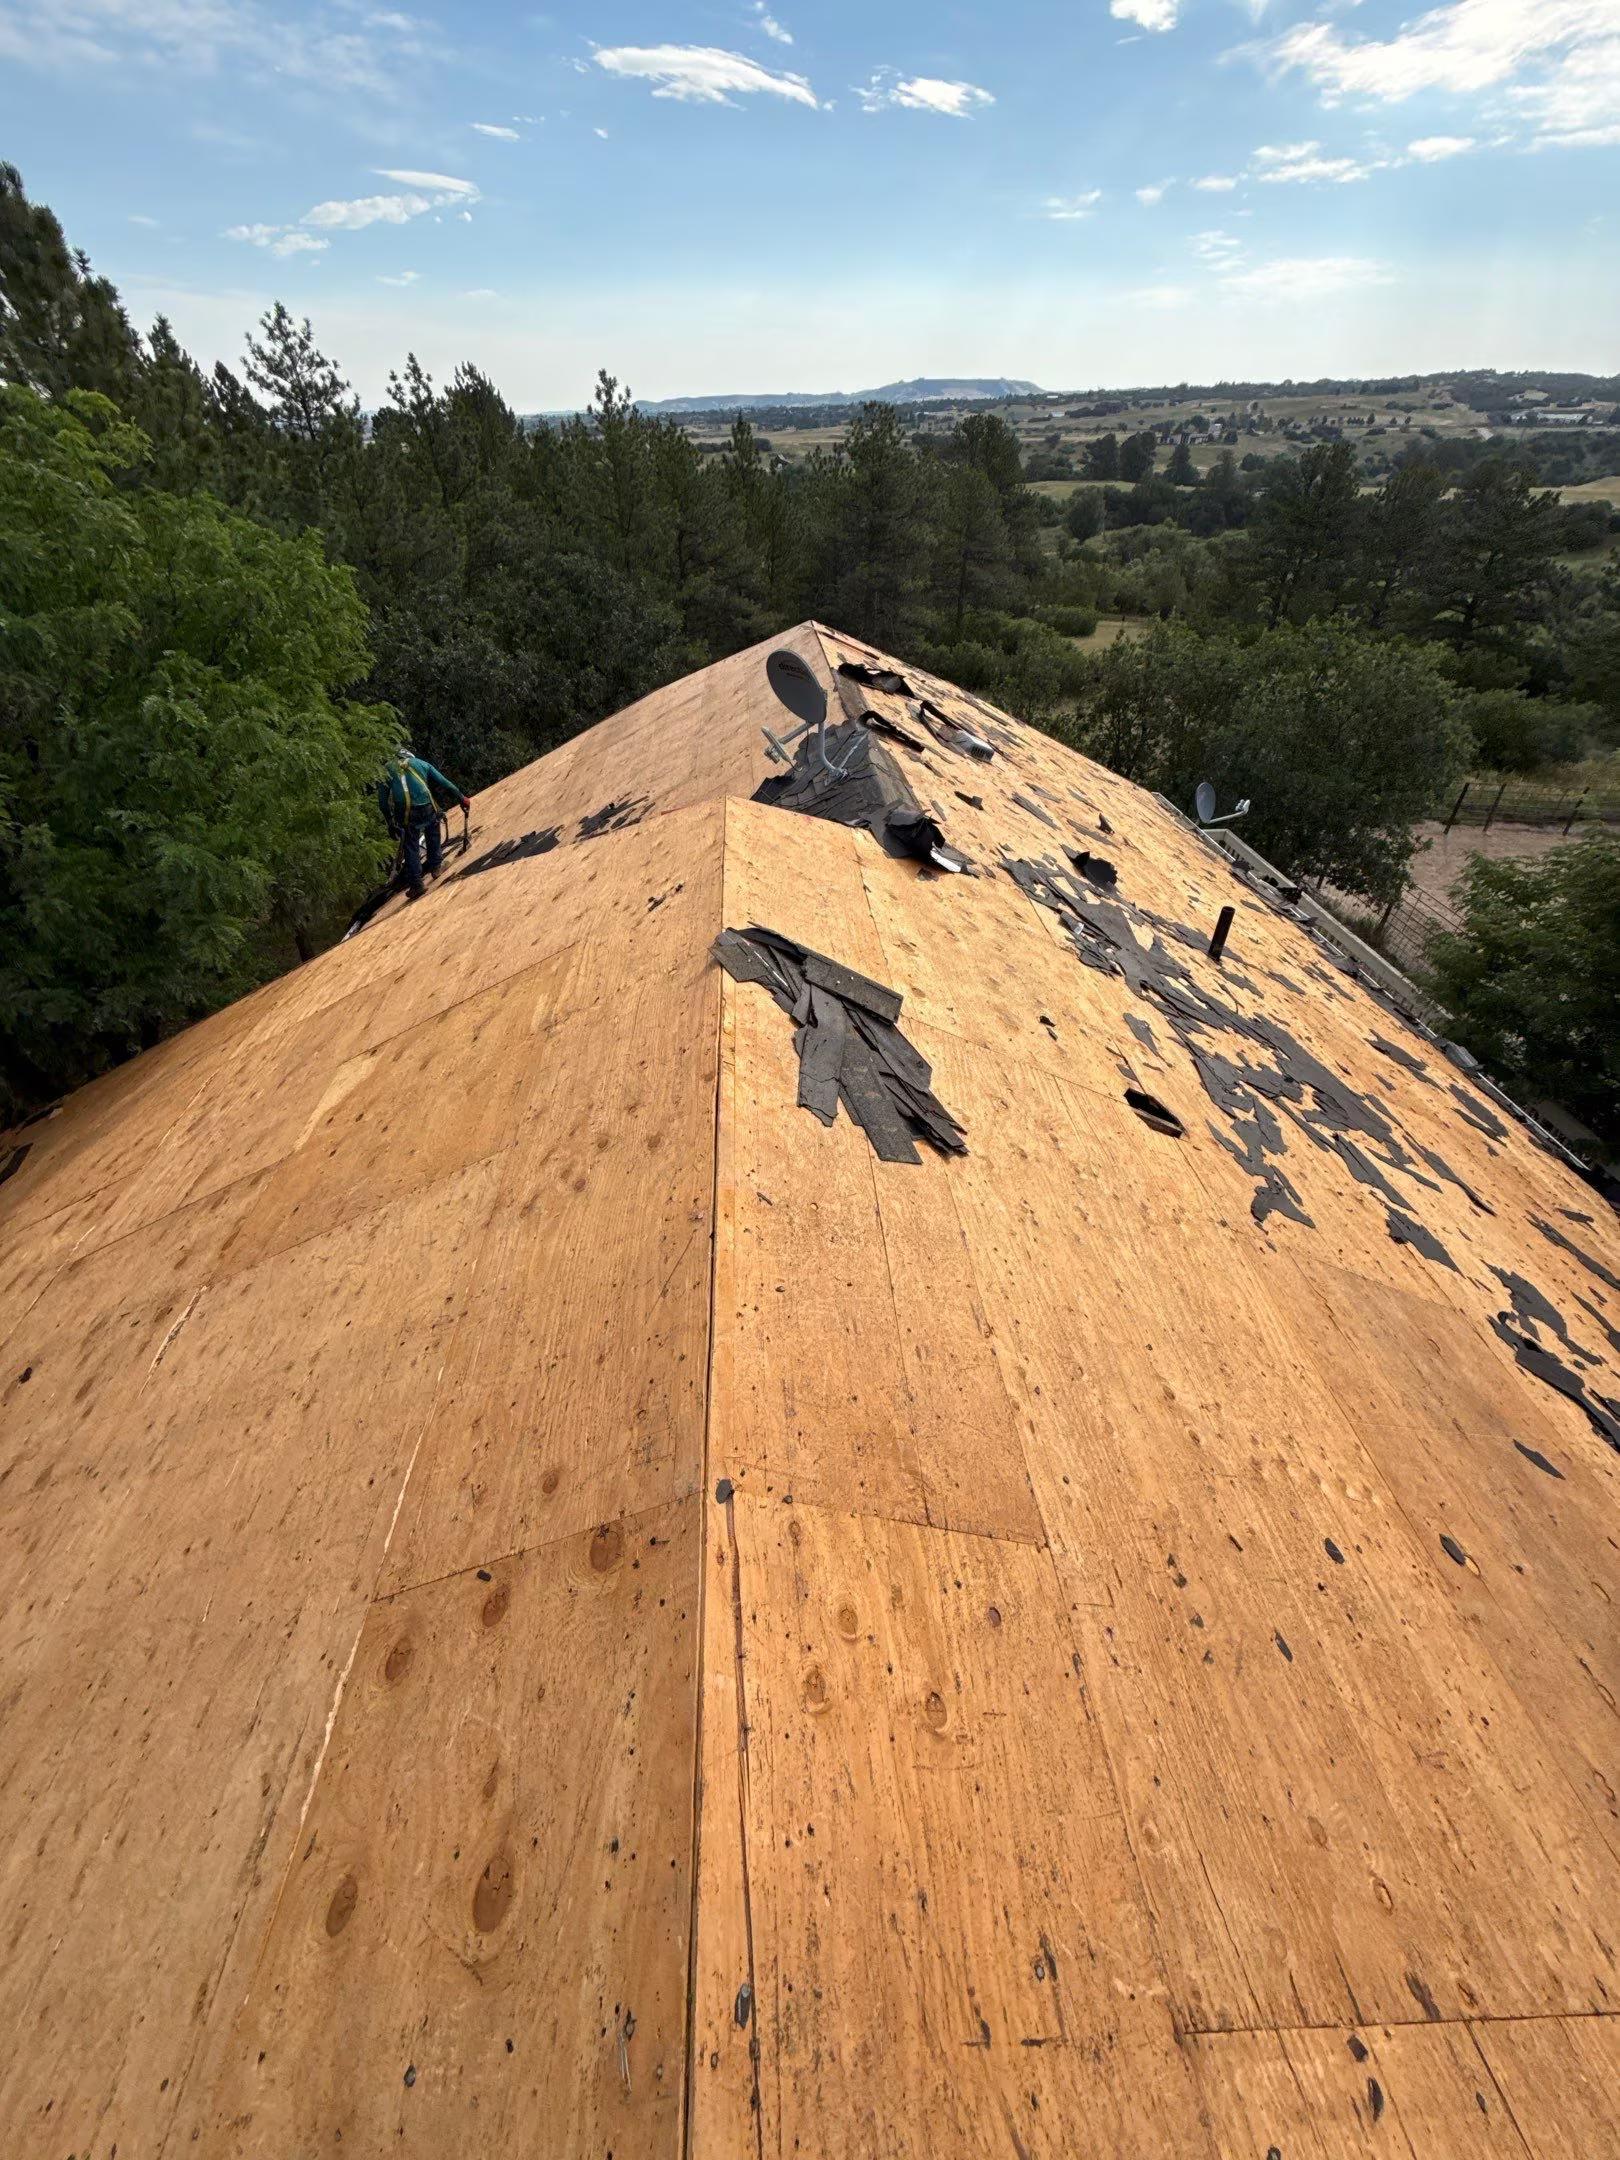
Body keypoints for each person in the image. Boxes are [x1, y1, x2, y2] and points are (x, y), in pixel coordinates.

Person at [376, 747, 471, 900]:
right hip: (427, 807)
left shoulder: (386, 771)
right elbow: (444, 782)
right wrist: (462, 798)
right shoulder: (421, 763)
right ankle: (436, 867)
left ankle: (417, 884)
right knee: (433, 830)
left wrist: (390, 823)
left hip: (405, 813)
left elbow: (383, 803)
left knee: (410, 845)